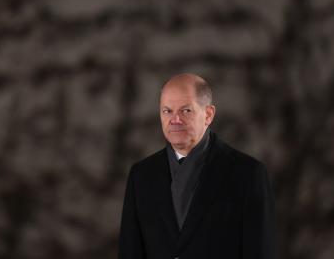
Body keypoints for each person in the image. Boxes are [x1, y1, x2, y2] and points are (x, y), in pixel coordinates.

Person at [118, 73, 275, 259]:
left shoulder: (248, 174)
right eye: (167, 111)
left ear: (208, 114)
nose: (175, 120)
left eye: (185, 111)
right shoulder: (141, 175)